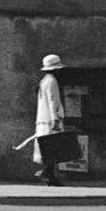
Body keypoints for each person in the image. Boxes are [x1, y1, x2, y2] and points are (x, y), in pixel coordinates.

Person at [31, 53, 67, 186]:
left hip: (43, 120)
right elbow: (53, 101)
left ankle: (50, 176)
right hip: (50, 121)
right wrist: (55, 119)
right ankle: (46, 172)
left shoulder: (44, 81)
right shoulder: (52, 81)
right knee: (53, 149)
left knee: (49, 150)